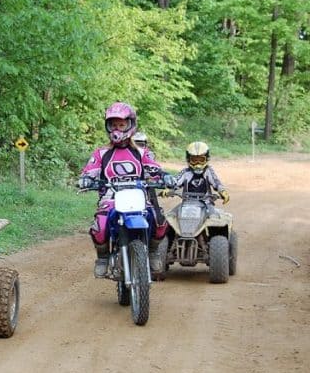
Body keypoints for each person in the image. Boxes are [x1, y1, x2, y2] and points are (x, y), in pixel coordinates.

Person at [77, 102, 174, 278]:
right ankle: (103, 257)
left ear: (130, 125)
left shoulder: (141, 152)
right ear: (108, 127)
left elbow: (153, 168)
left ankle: (152, 251)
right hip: (110, 196)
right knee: (100, 226)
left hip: (138, 195)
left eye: (121, 125)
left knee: (160, 221)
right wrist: (85, 179)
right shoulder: (101, 153)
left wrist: (164, 176)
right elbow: (90, 170)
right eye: (113, 125)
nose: (117, 129)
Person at [164, 141, 230, 205]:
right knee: (170, 216)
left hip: (207, 204)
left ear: (207, 159)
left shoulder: (208, 171)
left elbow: (216, 182)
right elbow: (176, 182)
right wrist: (169, 189)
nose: (197, 163)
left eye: (201, 160)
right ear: (188, 160)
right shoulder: (185, 172)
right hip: (187, 205)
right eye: (194, 160)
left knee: (216, 216)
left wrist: (222, 191)